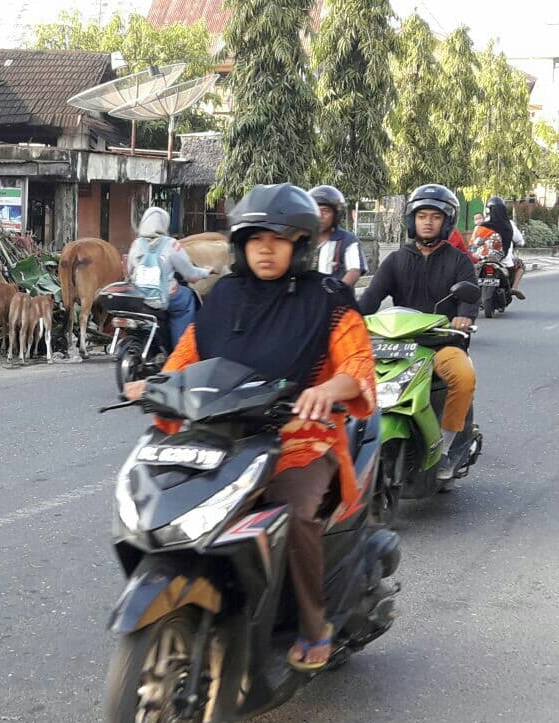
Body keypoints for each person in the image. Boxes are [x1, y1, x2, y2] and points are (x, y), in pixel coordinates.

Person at [124, 184, 376, 671]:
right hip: (223, 436)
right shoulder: (223, 297)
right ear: (240, 243)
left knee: (297, 510)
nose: (265, 247)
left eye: (279, 238)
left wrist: (329, 390)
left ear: (300, 245)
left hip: (299, 439)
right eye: (255, 236)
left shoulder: (328, 298)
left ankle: (313, 623)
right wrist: (155, 384)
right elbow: (185, 360)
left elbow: (358, 367)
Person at [358, 184, 478, 480]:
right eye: (422, 215)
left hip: (439, 344)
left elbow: (468, 299)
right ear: (412, 220)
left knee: (463, 376)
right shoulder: (396, 259)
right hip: (396, 346)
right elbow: (371, 298)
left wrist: (463, 317)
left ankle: (448, 448)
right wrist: (349, 318)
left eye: (435, 217)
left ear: (446, 222)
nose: (428, 221)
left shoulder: (459, 261)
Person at [126, 206, 212, 351]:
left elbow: (130, 270)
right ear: (164, 224)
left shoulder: (136, 244)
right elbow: (190, 274)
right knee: (187, 298)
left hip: (138, 297)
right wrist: (205, 272)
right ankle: (180, 350)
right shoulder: (171, 244)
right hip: (164, 297)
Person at [308, 185, 365, 287]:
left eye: (325, 211)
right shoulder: (302, 239)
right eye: (315, 210)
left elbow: (354, 270)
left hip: (336, 300)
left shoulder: (348, 240)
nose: (320, 215)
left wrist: (337, 292)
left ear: (335, 215)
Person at [470, 196, 526, 299]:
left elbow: (475, 242)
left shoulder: (483, 225)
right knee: (520, 265)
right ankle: (514, 287)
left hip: (482, 259)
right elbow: (520, 241)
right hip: (504, 261)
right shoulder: (510, 225)